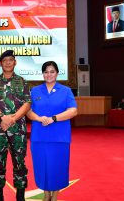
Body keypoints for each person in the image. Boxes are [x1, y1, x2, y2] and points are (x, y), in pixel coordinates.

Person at [26, 61, 78, 201]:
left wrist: (54, 118)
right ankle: (46, 192)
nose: (49, 74)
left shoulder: (66, 91)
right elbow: (28, 111)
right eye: (46, 72)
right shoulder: (35, 91)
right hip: (39, 137)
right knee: (42, 166)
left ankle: (55, 194)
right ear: (43, 74)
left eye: (52, 71)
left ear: (57, 73)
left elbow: (73, 111)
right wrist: (38, 118)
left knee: (57, 166)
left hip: (59, 137)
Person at [0, 50, 31, 201]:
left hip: (18, 129)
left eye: (11, 60)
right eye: (5, 60)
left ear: (15, 62)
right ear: (0, 64)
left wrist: (12, 119)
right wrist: (2, 117)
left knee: (19, 162)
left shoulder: (22, 82)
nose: (8, 62)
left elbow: (27, 103)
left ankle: (20, 195)